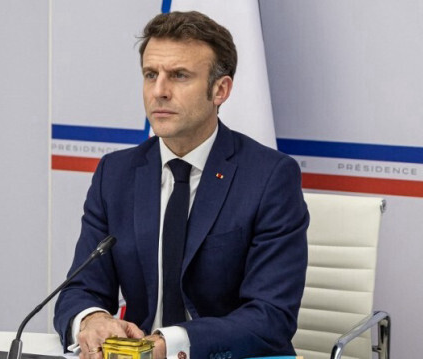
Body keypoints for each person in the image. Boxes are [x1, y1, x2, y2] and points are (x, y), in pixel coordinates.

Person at [54, 11, 309, 359]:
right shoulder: (116, 173)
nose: (159, 91)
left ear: (220, 89)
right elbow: (80, 288)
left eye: (179, 76)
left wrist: (168, 344)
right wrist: (92, 319)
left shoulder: (269, 177)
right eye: (150, 75)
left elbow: (271, 315)